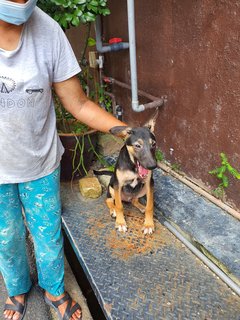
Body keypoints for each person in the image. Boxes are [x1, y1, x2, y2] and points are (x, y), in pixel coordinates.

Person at [0, 0, 126, 319]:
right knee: (6, 234)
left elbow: (78, 104)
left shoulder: (48, 32)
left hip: (40, 164)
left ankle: (54, 289)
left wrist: (126, 132)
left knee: (47, 231)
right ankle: (16, 288)